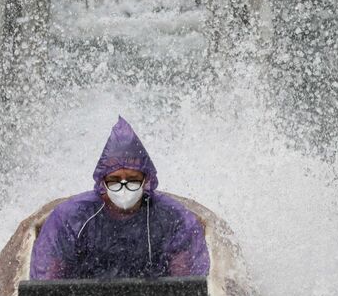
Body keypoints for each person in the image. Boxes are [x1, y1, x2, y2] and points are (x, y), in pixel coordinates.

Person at [30, 116, 210, 279]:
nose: (123, 188)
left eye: (132, 180)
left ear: (146, 180)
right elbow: (47, 280)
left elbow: (187, 284)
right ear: (102, 182)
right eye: (115, 180)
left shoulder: (171, 217)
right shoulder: (72, 217)